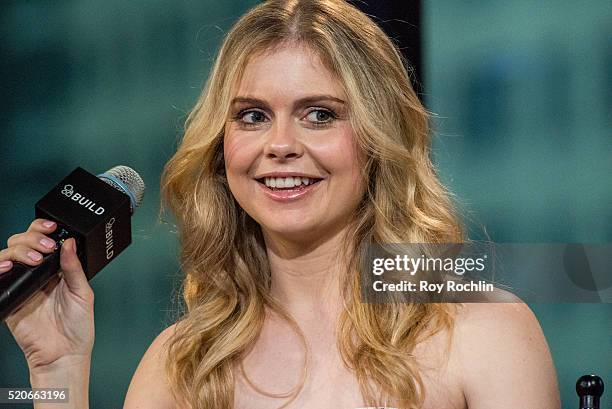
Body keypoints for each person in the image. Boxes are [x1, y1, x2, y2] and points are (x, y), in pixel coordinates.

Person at [0, 1, 561, 408]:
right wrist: (58, 373)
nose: (281, 145)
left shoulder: (485, 329)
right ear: (222, 150)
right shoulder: (182, 365)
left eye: (320, 114)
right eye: (252, 116)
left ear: (377, 140)